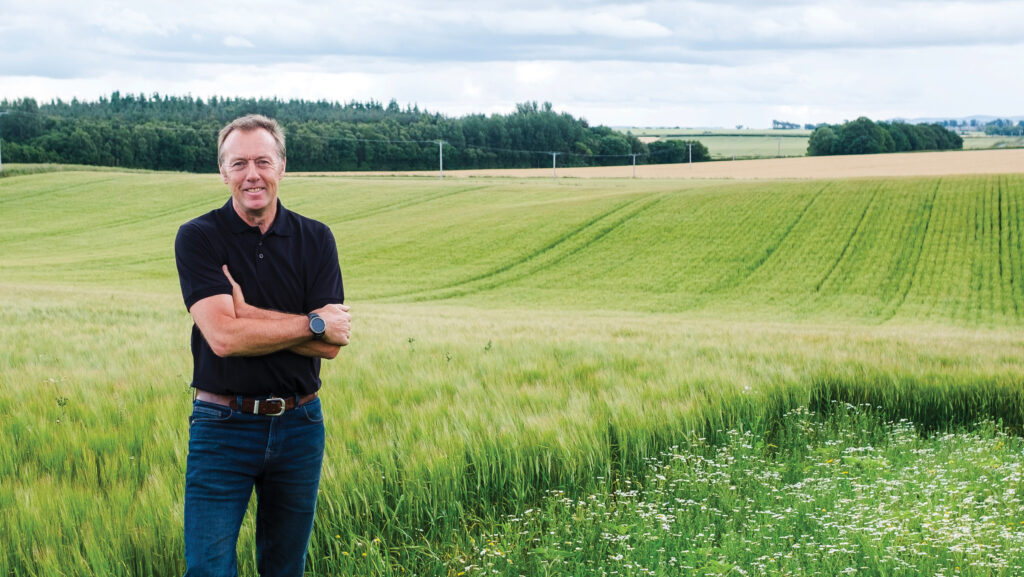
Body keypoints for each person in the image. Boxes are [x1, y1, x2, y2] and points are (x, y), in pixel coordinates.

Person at [174, 114, 351, 576]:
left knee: (284, 569)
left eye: (262, 161)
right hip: (222, 425)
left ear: (282, 166)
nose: (252, 174)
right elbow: (224, 338)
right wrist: (309, 324)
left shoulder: (316, 238)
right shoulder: (199, 237)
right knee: (208, 569)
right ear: (223, 172)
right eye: (239, 163)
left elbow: (332, 344)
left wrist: (246, 312)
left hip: (300, 424)